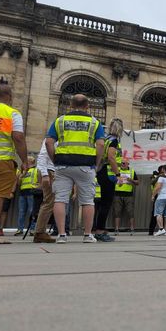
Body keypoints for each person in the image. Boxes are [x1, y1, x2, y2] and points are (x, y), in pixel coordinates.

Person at [46, 94, 103, 244]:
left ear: (70, 105)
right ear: (87, 106)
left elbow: (49, 142)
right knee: (87, 201)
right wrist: (96, 164)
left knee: (60, 199)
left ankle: (62, 235)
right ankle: (87, 235)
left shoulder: (60, 121)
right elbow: (101, 145)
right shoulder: (94, 122)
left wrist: (55, 159)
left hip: (63, 164)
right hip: (85, 165)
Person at [0, 81, 28, 244]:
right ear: (10, 97)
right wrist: (25, 161)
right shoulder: (12, 113)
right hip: (2, 161)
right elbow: (18, 137)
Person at [94, 117, 123, 242]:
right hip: (108, 173)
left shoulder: (105, 139)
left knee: (102, 204)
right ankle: (100, 231)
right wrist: (118, 174)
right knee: (106, 203)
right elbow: (111, 158)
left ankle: (99, 228)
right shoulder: (114, 141)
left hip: (101, 171)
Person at [31, 139, 56, 243]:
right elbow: (42, 156)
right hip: (50, 171)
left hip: (53, 171)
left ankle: (40, 231)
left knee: (50, 202)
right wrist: (45, 175)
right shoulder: (51, 138)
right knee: (49, 202)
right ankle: (40, 232)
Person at [15, 156, 39, 236]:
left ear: (30, 162)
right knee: (21, 212)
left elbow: (39, 181)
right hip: (22, 193)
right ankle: (20, 229)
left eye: (26, 161)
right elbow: (18, 183)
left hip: (31, 192)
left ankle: (32, 229)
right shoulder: (23, 172)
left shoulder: (36, 170)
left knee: (32, 211)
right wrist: (23, 174)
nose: (24, 163)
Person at [113, 159, 138, 235]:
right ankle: (116, 229)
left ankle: (132, 228)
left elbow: (137, 182)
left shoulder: (132, 171)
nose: (122, 164)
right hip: (117, 193)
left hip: (128, 194)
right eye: (121, 163)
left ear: (128, 164)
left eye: (124, 163)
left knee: (130, 212)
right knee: (117, 211)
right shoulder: (117, 171)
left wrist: (131, 180)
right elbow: (112, 180)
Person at [152, 165, 166, 236]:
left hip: (161, 197)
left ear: (163, 169)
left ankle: (161, 229)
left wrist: (153, 195)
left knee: (158, 213)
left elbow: (158, 187)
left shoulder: (162, 176)